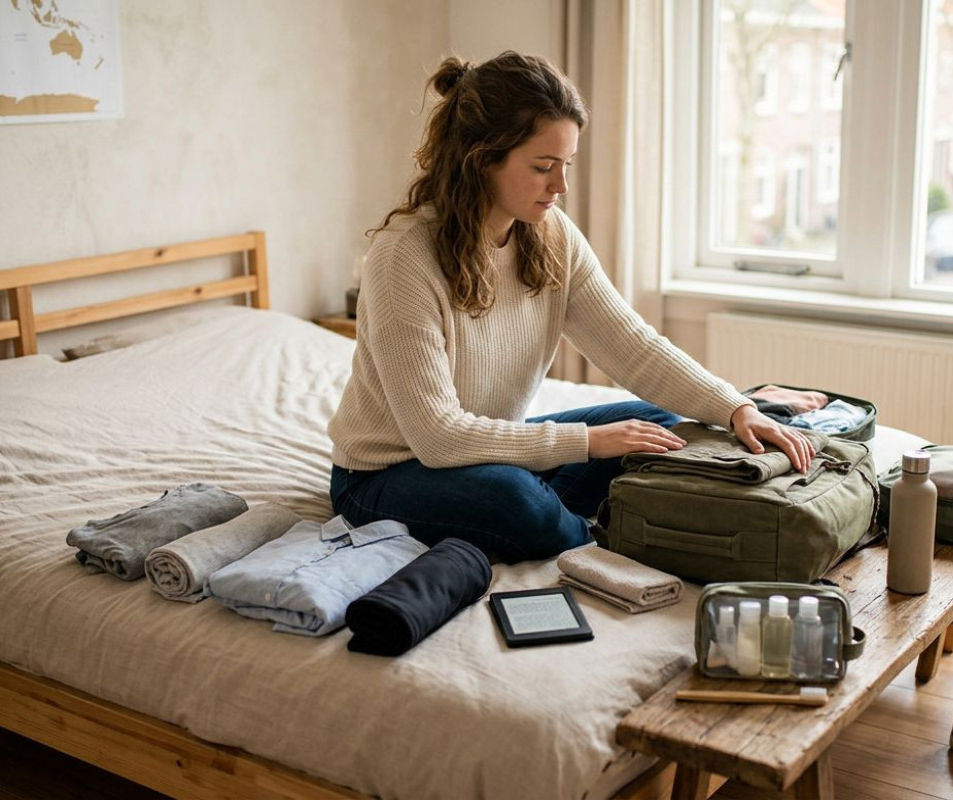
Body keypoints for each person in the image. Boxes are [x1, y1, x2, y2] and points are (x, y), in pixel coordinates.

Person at [327, 51, 825, 563]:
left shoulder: (551, 234)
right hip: (385, 476)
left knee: (657, 424)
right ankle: (593, 537)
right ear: (481, 158)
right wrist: (587, 443)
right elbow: (437, 437)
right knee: (515, 498)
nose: (560, 186)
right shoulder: (403, 256)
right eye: (543, 167)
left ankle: (554, 514)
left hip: (487, 452)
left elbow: (634, 348)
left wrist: (733, 407)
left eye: (566, 165)